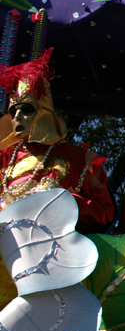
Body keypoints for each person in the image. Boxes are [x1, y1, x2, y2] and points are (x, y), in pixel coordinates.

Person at [0, 49, 115, 233]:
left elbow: (104, 213)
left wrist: (62, 202)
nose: (18, 117)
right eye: (14, 112)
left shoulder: (80, 159)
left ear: (44, 113)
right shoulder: (3, 160)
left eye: (27, 109)